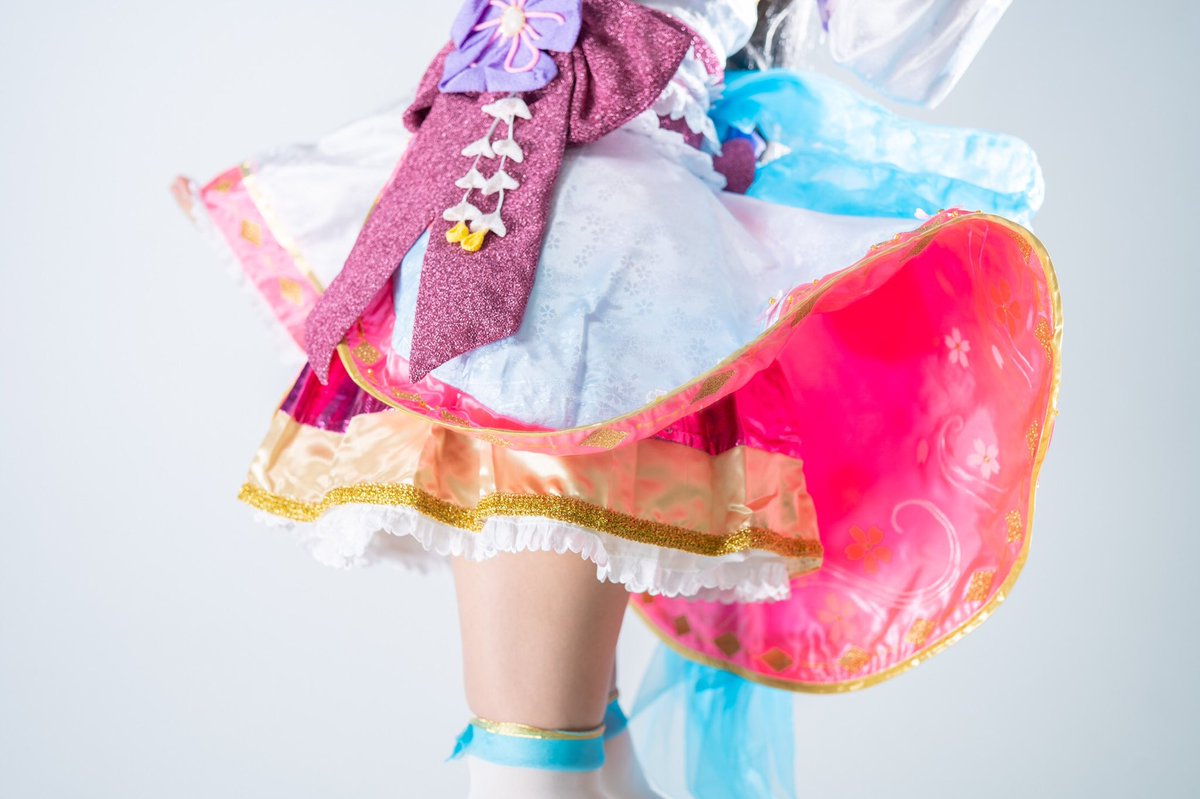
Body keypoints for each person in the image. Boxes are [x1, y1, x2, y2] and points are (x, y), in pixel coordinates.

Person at [174, 1, 1059, 796]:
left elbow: (895, 44)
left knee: (536, 771)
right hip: (523, 234)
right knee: (583, 765)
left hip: (580, 272)